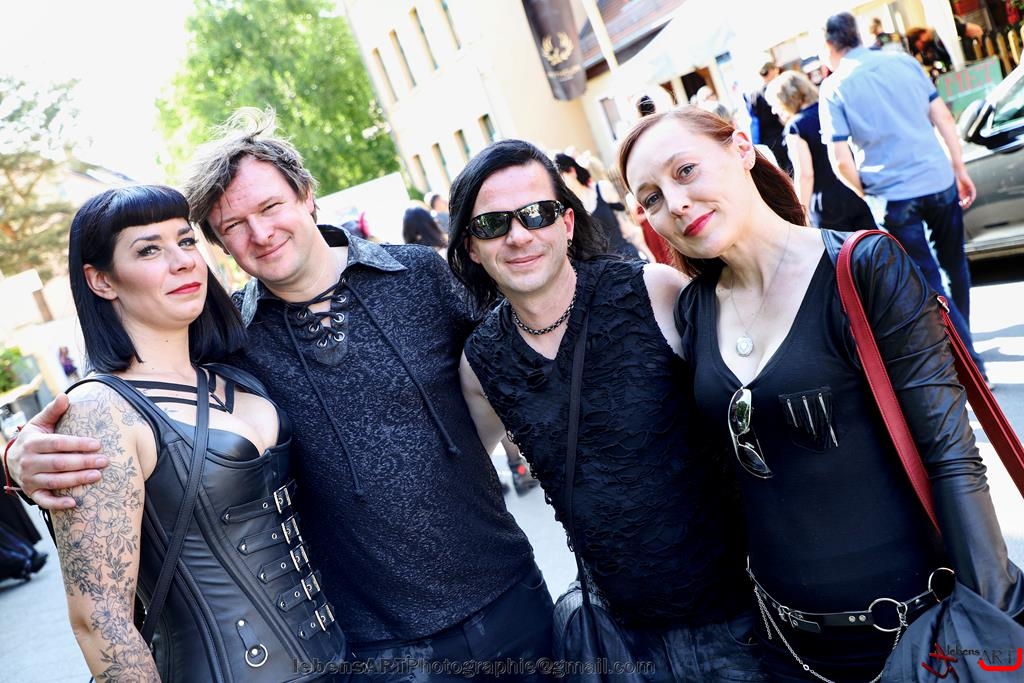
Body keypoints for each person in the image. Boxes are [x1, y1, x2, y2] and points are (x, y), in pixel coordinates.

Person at [7, 110, 552, 681]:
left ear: (307, 197)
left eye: (270, 207)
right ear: (220, 244)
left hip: (511, 593)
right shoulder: (230, 345)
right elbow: (131, 398)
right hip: (376, 650)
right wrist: (18, 459)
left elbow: (528, 358)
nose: (261, 233)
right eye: (234, 225)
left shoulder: (419, 276)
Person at [619, 104, 1024, 682]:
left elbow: (952, 457)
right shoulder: (694, 309)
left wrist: (989, 627)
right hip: (783, 645)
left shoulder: (863, 267)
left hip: (918, 638)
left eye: (685, 171)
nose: (675, 203)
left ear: (741, 149)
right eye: (652, 198)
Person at [448, 139, 766, 681]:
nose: (519, 235)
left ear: (567, 223)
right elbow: (466, 489)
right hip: (620, 643)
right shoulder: (481, 363)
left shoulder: (656, 291)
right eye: (493, 224)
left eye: (537, 213)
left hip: (740, 621)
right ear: (471, 248)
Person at [47, 184, 345, 680]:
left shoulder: (233, 375)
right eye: (149, 250)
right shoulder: (100, 410)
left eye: (186, 241)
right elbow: (99, 622)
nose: (183, 261)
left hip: (340, 659)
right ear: (101, 280)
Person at [819, 11, 990, 383]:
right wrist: (958, 168)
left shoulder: (834, 87)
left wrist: (866, 192)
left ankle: (971, 363)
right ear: (857, 35)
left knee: (927, 280)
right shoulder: (904, 62)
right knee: (954, 265)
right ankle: (965, 342)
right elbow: (943, 118)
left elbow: (840, 159)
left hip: (892, 193)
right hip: (938, 179)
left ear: (829, 45)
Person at [763, 70, 875, 230]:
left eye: (775, 104)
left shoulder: (796, 127)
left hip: (828, 206)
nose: (774, 111)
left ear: (786, 99)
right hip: (855, 189)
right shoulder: (830, 109)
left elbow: (805, 175)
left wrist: (801, 214)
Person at [553, 151, 644, 261]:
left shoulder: (602, 188)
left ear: (572, 171)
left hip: (627, 257)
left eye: (561, 177)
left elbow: (626, 225)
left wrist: (648, 254)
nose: (561, 184)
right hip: (602, 267)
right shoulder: (569, 211)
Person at [744, 62, 792, 176]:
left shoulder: (753, 94)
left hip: (767, 141)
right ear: (772, 71)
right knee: (792, 169)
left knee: (781, 173)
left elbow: (754, 122)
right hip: (782, 134)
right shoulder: (778, 89)